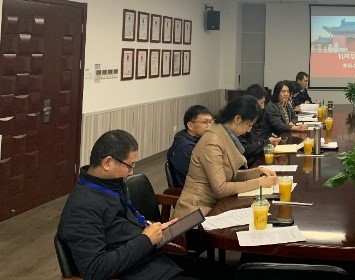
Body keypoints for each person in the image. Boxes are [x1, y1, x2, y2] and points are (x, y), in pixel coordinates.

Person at [57, 129, 231, 280]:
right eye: (130, 165)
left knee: (227, 272)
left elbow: (122, 224)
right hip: (136, 271)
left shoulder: (112, 185)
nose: (131, 171)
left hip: (151, 258)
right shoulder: (82, 208)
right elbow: (95, 269)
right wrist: (146, 239)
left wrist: (153, 228)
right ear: (107, 163)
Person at [175, 96, 278, 218]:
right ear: (237, 119)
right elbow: (221, 188)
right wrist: (258, 182)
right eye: (249, 125)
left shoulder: (223, 134)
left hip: (213, 205)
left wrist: (258, 172)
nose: (249, 130)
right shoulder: (213, 141)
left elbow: (229, 174)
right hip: (196, 211)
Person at [166, 105, 213, 188]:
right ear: (190, 126)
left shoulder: (200, 140)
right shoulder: (185, 147)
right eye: (205, 122)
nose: (209, 126)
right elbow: (201, 176)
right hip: (193, 191)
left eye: (211, 122)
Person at [239, 83, 281, 161]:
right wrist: (267, 142)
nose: (263, 107)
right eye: (261, 103)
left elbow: (255, 141)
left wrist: (267, 140)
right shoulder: (242, 119)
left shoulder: (255, 116)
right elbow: (245, 149)